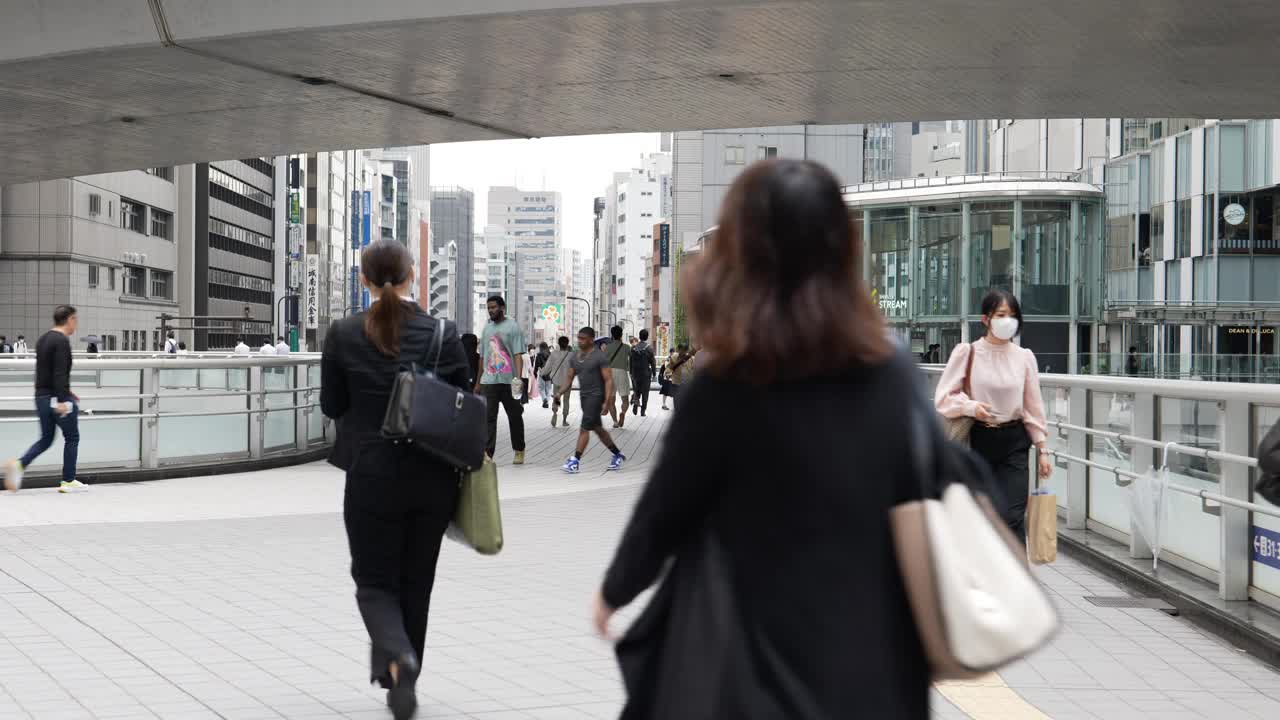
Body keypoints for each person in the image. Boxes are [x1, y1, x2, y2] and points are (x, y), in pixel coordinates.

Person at [592, 159, 927, 717]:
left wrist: (614, 591)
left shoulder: (726, 385)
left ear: (738, 257)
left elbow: (665, 512)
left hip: (750, 661)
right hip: (873, 657)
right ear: (842, 250)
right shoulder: (892, 372)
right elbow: (932, 487)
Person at [320, 239, 470, 720]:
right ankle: (403, 677)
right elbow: (461, 396)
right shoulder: (442, 332)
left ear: (363, 279)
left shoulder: (343, 333)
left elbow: (331, 406)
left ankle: (398, 657)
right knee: (416, 582)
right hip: (433, 476)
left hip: (372, 474)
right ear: (413, 276)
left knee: (373, 582)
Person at [935, 289, 1050, 538]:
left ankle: (1017, 574)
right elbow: (943, 397)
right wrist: (971, 407)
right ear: (985, 319)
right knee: (982, 512)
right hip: (978, 440)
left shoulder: (1024, 358)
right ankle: (984, 570)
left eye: (1012, 315)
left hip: (1015, 440)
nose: (1007, 320)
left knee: (1013, 515)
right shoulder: (968, 353)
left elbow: (1033, 406)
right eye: (1001, 314)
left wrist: (1043, 449)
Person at [4, 305, 88, 494]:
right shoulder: (62, 341)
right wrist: (61, 399)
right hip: (56, 398)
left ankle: (19, 465)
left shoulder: (43, 339)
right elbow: (59, 372)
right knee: (72, 437)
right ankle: (68, 480)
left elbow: (46, 371)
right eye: (76, 319)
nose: (76, 324)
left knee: (46, 438)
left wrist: (67, 391)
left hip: (41, 395)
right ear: (70, 319)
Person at [556, 327, 625, 473]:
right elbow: (569, 379)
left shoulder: (600, 357)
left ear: (591, 340)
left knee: (584, 428)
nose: (580, 341)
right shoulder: (575, 357)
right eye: (578, 338)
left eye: (583, 338)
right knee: (598, 429)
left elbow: (608, 380)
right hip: (584, 397)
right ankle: (617, 454)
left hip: (596, 397)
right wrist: (559, 393)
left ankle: (575, 461)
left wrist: (606, 401)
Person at [477, 296, 526, 464]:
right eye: (488, 308)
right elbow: (482, 357)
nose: (491, 310)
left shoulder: (513, 327)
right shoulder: (486, 329)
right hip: (488, 381)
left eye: (493, 307)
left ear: (502, 308)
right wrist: (478, 382)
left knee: (515, 416)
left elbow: (518, 355)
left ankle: (519, 449)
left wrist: (518, 380)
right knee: (488, 418)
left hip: (509, 381)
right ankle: (487, 453)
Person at [603, 326, 632, 428]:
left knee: (611, 400)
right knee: (625, 399)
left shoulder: (607, 347)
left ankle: (615, 422)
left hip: (610, 373)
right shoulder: (627, 347)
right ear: (621, 334)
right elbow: (631, 361)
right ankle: (623, 413)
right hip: (622, 372)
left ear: (612, 335)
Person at [546, 336, 574, 428]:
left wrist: (542, 372)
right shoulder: (571, 355)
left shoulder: (554, 354)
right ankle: (564, 421)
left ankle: (554, 413)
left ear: (559, 344)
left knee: (557, 399)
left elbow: (548, 367)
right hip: (567, 383)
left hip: (557, 380)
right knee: (566, 400)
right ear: (567, 344)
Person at [629, 329, 656, 416]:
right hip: (645, 374)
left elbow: (631, 361)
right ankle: (643, 411)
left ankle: (636, 404)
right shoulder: (649, 348)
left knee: (637, 390)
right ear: (647, 337)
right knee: (645, 392)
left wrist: (631, 372)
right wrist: (654, 373)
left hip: (635, 373)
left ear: (639, 336)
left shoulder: (633, 348)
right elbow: (653, 362)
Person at [534, 342, 554, 409]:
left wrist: (535, 374)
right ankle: (547, 400)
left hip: (541, 373)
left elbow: (536, 366)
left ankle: (544, 399)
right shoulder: (550, 354)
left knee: (541, 389)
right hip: (549, 374)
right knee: (548, 389)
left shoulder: (539, 355)